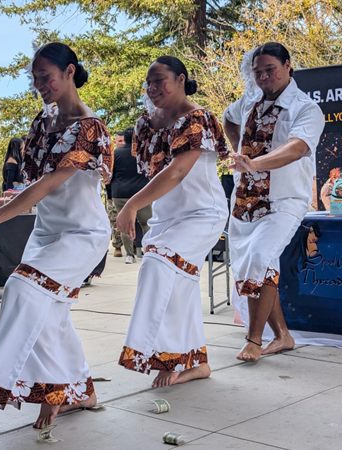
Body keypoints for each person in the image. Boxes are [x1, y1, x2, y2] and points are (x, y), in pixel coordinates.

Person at [0, 42, 113, 429]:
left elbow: (52, 182)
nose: (39, 85)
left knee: (22, 288)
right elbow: (34, 181)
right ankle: (79, 392)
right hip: (45, 231)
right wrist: (9, 201)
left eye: (45, 76)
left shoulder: (89, 126)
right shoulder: (41, 121)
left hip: (83, 234)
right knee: (50, 313)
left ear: (69, 72)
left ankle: (44, 389)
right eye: (34, 78)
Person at [116, 56, 229, 389]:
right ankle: (196, 363)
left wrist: (131, 206)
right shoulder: (144, 123)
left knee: (157, 263)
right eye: (148, 83)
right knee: (180, 282)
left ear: (180, 79)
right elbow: (152, 173)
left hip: (203, 214)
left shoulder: (198, 119)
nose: (152, 88)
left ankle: (165, 355)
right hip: (166, 216)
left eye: (159, 81)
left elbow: (177, 171)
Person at [222, 42, 325, 363]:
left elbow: (297, 147)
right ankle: (283, 336)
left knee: (259, 257)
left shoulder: (305, 108)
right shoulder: (249, 102)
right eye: (258, 72)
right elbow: (228, 117)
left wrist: (254, 163)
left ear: (287, 65)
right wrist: (239, 149)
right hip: (245, 201)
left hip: (283, 200)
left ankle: (253, 340)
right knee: (253, 266)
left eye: (270, 69)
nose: (264, 77)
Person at [111, 127, 152, 264]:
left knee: (125, 224)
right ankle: (148, 251)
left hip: (120, 193)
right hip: (141, 193)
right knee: (146, 223)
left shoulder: (115, 154)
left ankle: (129, 255)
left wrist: (110, 193)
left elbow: (109, 175)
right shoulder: (143, 152)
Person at [105, 136, 125, 257]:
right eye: (120, 141)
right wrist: (109, 194)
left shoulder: (133, 155)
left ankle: (134, 246)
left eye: (124, 140)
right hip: (115, 193)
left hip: (129, 193)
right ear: (115, 142)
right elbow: (108, 177)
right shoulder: (112, 157)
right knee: (114, 220)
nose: (122, 143)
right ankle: (117, 246)